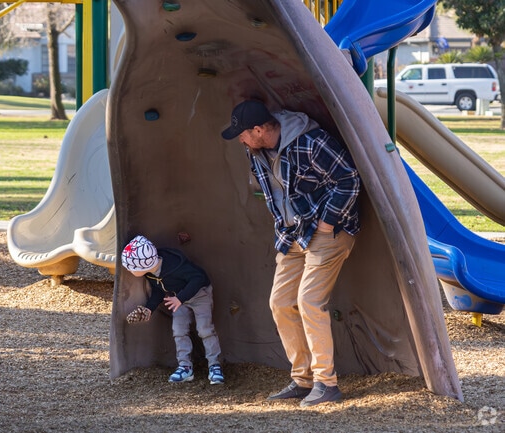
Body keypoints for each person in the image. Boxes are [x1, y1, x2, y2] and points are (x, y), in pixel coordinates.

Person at [221, 100, 361, 407]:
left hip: (328, 233)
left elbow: (349, 180)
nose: (240, 140)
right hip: (293, 234)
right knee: (280, 303)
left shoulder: (310, 142)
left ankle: (327, 383)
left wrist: (327, 222)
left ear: (258, 130)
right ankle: (303, 379)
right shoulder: (255, 150)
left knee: (309, 302)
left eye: (243, 134)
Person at [121, 235, 224, 385]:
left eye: (131, 268)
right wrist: (149, 309)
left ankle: (215, 365)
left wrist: (180, 298)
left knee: (204, 329)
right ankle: (185, 366)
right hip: (178, 299)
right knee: (179, 330)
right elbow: (158, 290)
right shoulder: (151, 273)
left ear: (143, 265)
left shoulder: (176, 266)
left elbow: (199, 278)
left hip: (199, 295)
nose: (129, 270)